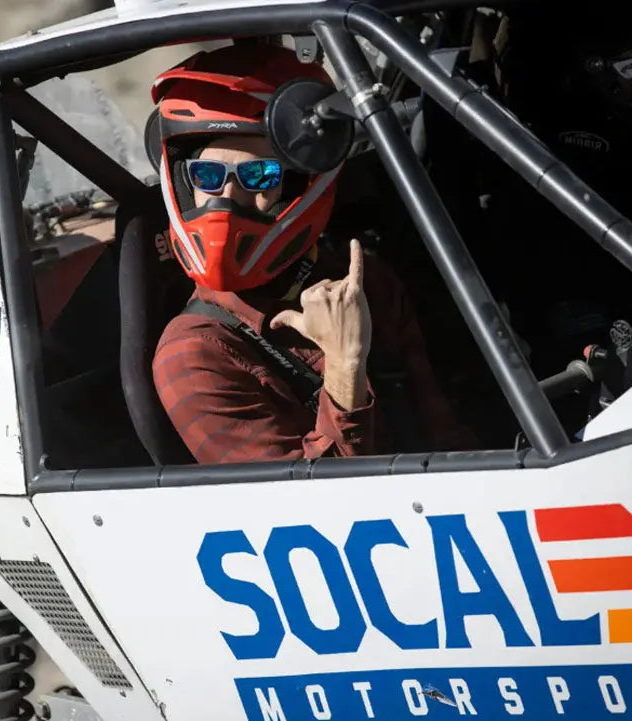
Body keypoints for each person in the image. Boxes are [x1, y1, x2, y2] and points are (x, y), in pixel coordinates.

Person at [148, 43, 474, 465]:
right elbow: (305, 499)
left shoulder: (364, 282)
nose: (226, 198)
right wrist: (344, 363)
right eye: (206, 175)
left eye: (258, 175)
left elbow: (441, 428)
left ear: (296, 184)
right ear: (183, 181)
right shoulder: (193, 354)